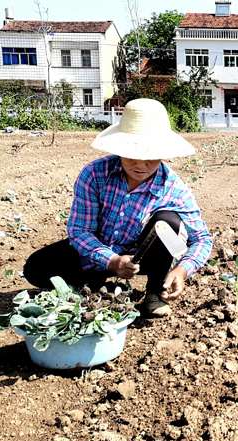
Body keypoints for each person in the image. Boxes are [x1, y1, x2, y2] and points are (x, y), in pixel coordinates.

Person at [23, 98, 213, 318]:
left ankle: (154, 293)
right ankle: (93, 283)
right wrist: (111, 261)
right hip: (99, 254)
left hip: (142, 259)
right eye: (133, 153)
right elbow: (79, 231)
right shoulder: (95, 174)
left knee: (167, 220)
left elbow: (202, 239)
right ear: (120, 148)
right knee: (36, 268)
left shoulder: (174, 188)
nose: (140, 164)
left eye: (150, 156)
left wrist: (183, 269)